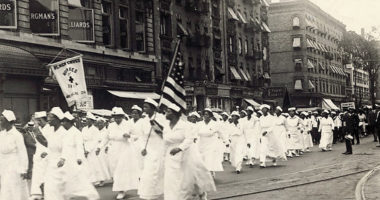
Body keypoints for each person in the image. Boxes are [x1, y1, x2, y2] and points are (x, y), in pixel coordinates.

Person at [163, 103, 216, 200]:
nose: (166, 113)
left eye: (168, 112)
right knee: (172, 180)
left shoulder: (184, 125)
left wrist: (179, 148)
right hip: (170, 156)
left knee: (189, 179)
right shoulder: (166, 126)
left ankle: (201, 192)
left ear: (174, 114)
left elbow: (189, 138)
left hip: (185, 154)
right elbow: (165, 141)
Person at [59, 112, 100, 200]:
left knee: (80, 177)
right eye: (62, 122)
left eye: (64, 122)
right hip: (67, 157)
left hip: (75, 157)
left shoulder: (76, 132)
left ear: (69, 122)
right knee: (68, 177)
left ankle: (91, 195)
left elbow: (79, 145)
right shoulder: (65, 132)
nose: (62, 124)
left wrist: (79, 157)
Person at [138, 98, 166, 200]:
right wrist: (142, 148)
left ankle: (160, 193)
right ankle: (149, 195)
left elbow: (165, 133)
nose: (144, 108)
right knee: (148, 173)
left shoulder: (161, 118)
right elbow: (141, 136)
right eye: (144, 106)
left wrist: (155, 125)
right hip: (148, 150)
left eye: (146, 107)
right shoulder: (143, 121)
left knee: (159, 172)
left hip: (160, 148)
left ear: (153, 108)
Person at [109, 107, 139, 200]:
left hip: (124, 149)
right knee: (114, 169)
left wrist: (129, 136)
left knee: (121, 170)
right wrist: (99, 147)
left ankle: (121, 190)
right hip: (113, 149)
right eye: (115, 117)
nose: (117, 119)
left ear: (122, 116)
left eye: (119, 117)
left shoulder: (128, 124)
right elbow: (106, 137)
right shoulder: (111, 125)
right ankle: (121, 188)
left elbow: (137, 136)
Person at [0, 110, 29, 200]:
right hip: (3, 165)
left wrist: (23, 169)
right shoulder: (1, 134)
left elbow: (22, 152)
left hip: (14, 165)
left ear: (8, 121)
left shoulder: (17, 135)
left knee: (13, 188)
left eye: (2, 120)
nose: (0, 122)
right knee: (5, 187)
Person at [42, 107, 66, 200]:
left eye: (50, 118)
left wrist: (63, 158)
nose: (48, 120)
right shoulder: (51, 131)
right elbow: (50, 146)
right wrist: (46, 152)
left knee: (58, 187)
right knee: (49, 186)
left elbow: (67, 148)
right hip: (51, 162)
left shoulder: (64, 133)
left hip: (61, 163)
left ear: (56, 119)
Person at [30, 111, 50, 200]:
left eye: (39, 120)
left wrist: (47, 152)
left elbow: (50, 143)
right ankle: (40, 194)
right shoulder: (38, 129)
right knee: (38, 176)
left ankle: (46, 194)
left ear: (42, 120)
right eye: (37, 120)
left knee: (46, 176)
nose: (37, 122)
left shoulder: (50, 128)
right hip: (38, 155)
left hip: (47, 155)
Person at [82, 112, 104, 186]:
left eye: (89, 120)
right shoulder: (84, 129)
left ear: (92, 121)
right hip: (85, 146)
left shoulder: (95, 130)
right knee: (86, 164)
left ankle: (97, 179)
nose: (87, 121)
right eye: (87, 119)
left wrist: (88, 150)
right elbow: (82, 139)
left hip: (92, 148)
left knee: (94, 164)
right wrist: (84, 148)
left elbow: (95, 141)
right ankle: (88, 179)